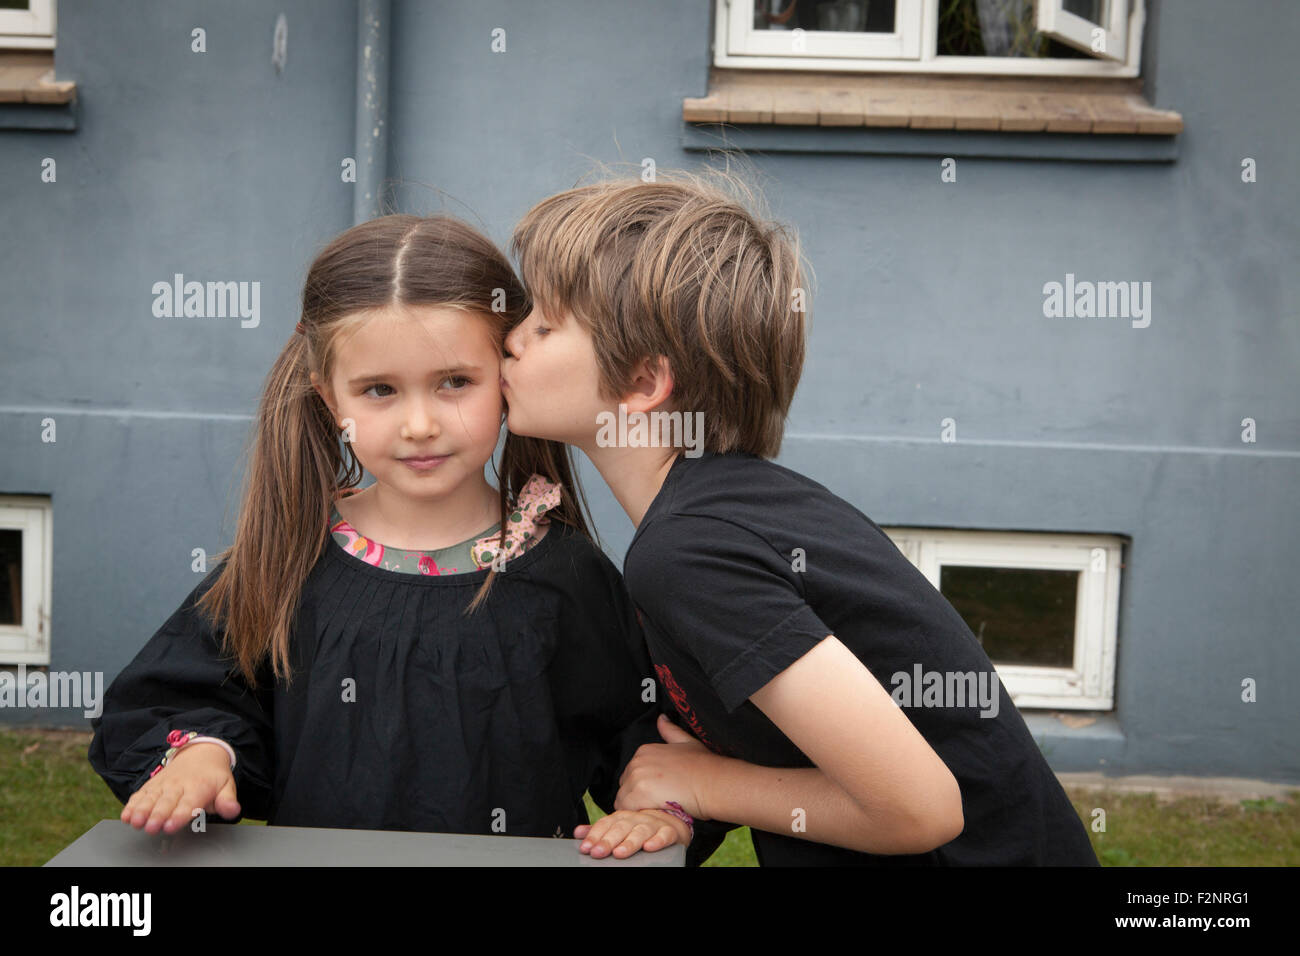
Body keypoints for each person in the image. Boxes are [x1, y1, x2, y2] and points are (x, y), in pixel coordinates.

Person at [502, 169, 1101, 865]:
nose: (512, 339)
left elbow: (921, 809)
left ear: (643, 382)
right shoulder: (724, 516)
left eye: (543, 324)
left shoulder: (691, 551)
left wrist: (707, 783)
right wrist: (682, 799)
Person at [88, 214, 696, 861]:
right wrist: (203, 756)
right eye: (379, 390)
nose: (420, 424)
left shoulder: (566, 573)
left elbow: (642, 733)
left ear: (508, 378)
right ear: (329, 399)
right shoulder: (288, 561)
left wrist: (663, 809)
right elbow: (181, 695)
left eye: (455, 383)